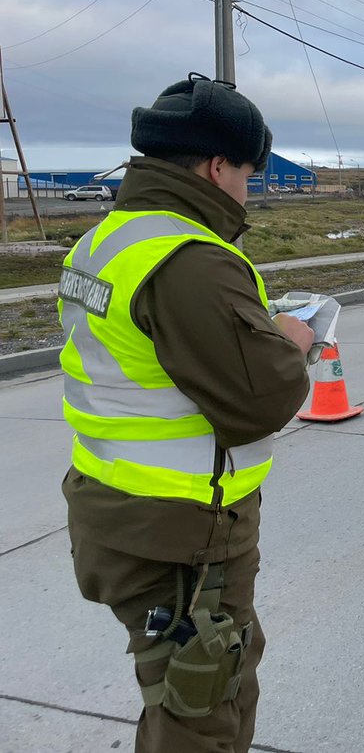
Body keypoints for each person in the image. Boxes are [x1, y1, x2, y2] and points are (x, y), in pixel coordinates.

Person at [58, 73, 314, 752]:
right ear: (217, 165)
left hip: (117, 516)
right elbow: (262, 397)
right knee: (204, 711)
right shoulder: (189, 259)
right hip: (183, 539)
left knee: (179, 692)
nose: (248, 188)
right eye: (248, 173)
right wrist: (291, 342)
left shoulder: (110, 239)